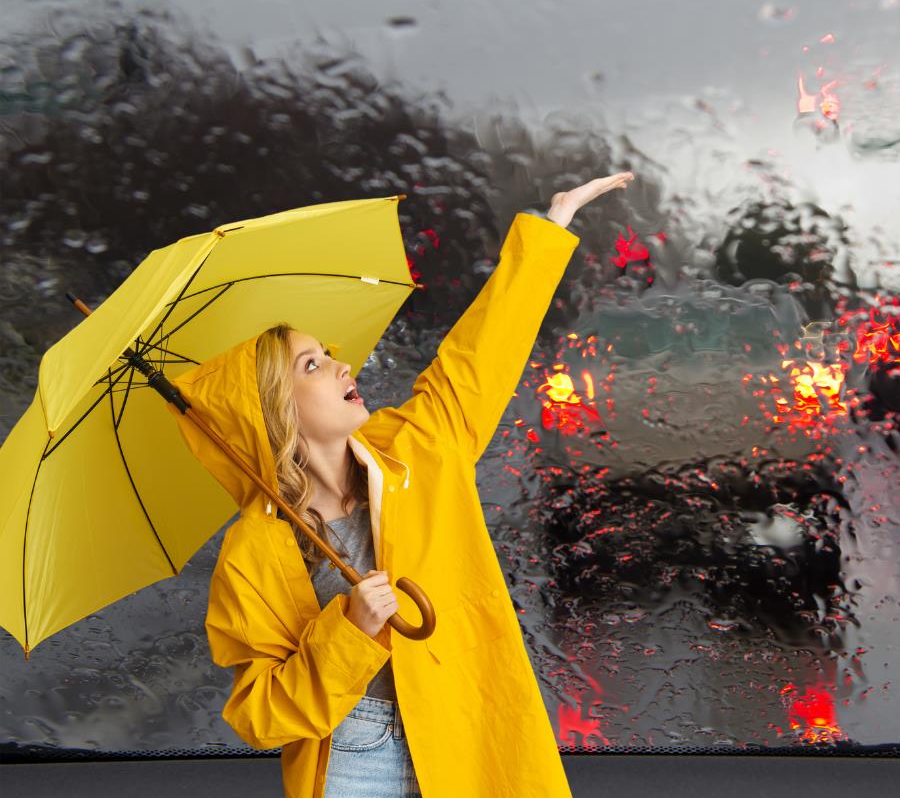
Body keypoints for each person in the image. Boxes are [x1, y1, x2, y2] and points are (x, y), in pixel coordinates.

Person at [170, 172, 634, 797]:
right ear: (275, 410)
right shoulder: (254, 549)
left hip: (463, 727)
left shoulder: (420, 449)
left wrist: (549, 231)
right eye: (312, 364)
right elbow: (259, 718)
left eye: (328, 352)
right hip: (352, 757)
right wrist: (350, 631)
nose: (340, 364)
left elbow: (478, 358)